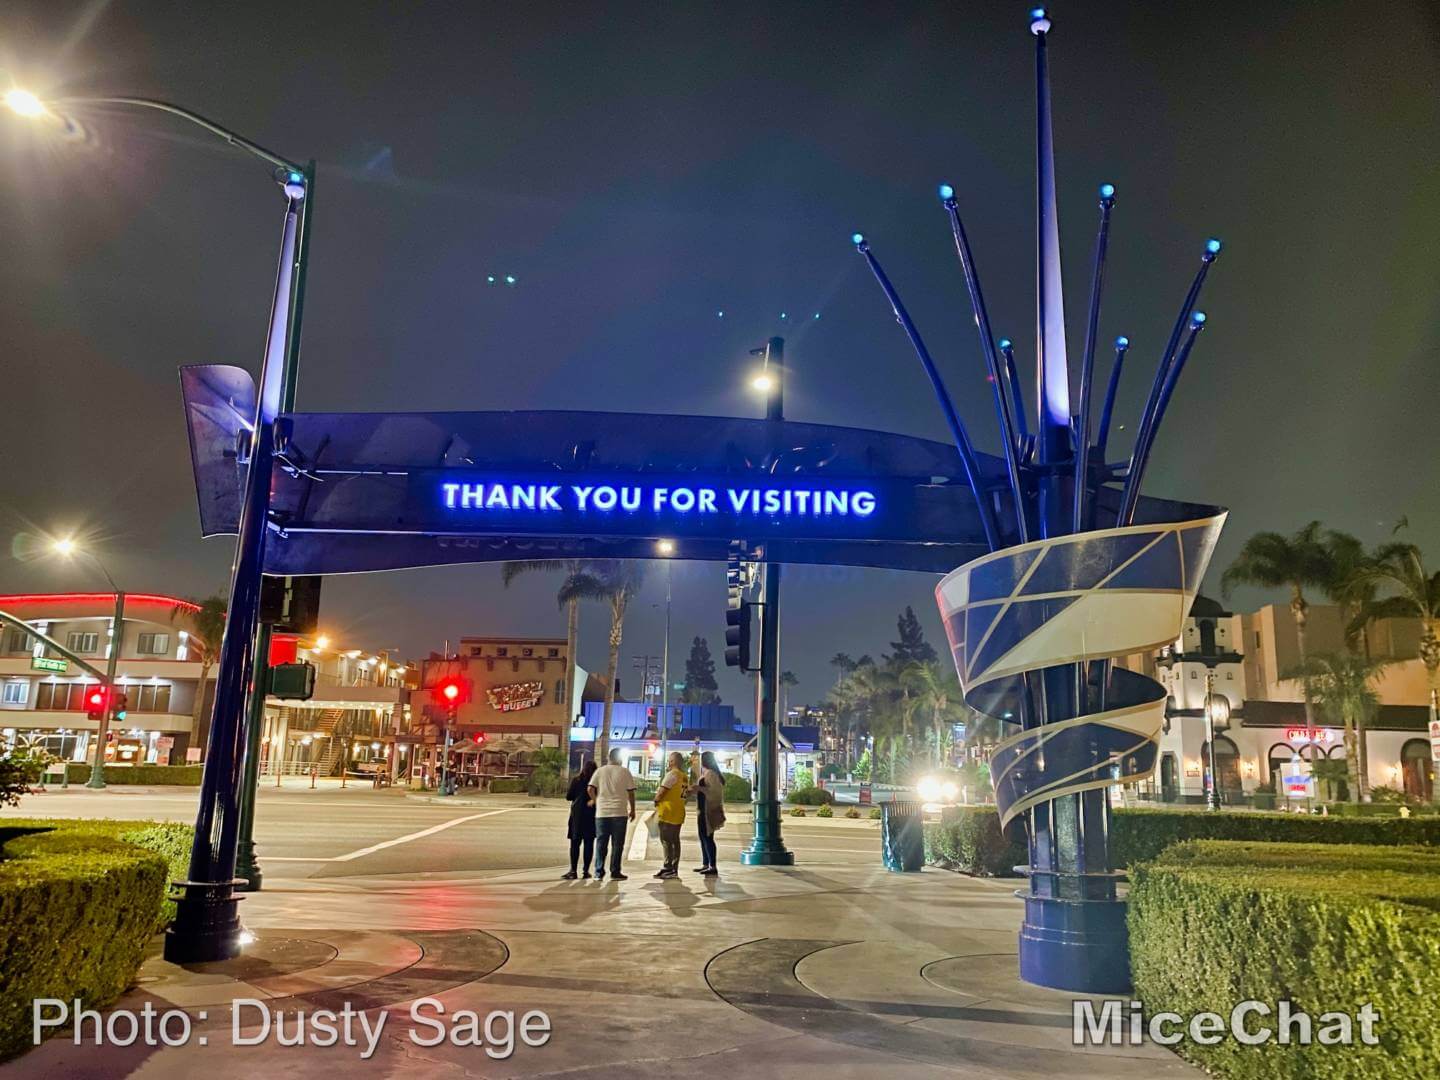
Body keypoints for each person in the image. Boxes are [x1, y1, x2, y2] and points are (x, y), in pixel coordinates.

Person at [588, 747, 636, 881]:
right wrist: (632, 809)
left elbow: (590, 788)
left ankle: (599, 871)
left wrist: (595, 800)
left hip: (602, 813)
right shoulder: (625, 772)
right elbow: (631, 793)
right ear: (619, 758)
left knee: (601, 843)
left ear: (609, 757)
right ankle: (615, 871)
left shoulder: (600, 771)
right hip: (620, 812)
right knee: (617, 844)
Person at [652, 752, 688, 879]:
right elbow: (684, 795)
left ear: (674, 761)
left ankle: (668, 868)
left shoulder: (672, 774)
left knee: (666, 841)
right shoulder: (684, 776)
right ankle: (673, 868)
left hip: (668, 811)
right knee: (675, 841)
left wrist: (656, 800)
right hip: (678, 812)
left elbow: (662, 791)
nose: (668, 762)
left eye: (670, 760)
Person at [563, 760, 598, 879]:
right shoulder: (597, 782)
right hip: (591, 815)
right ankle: (586, 871)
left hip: (577, 816)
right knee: (589, 843)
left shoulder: (576, 780)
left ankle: (573, 870)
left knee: (575, 843)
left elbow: (569, 797)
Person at [693, 750, 725, 876]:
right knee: (703, 837)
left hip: (708, 810)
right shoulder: (706, 773)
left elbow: (715, 792)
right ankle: (706, 863)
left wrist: (699, 788)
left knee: (708, 837)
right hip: (702, 809)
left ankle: (712, 865)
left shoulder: (711, 774)